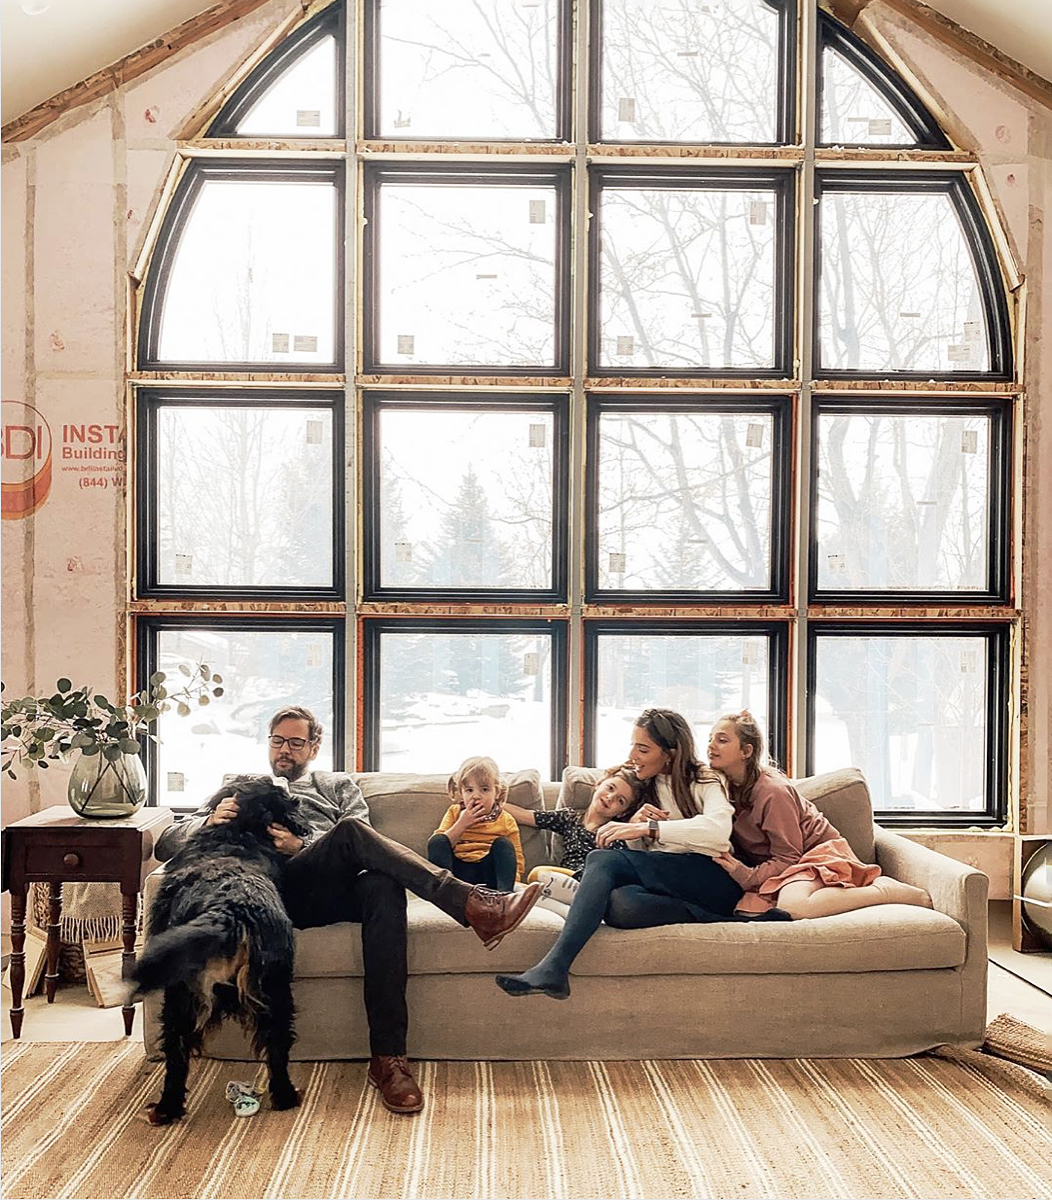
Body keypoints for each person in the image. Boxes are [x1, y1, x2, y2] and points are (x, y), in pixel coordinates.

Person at [155, 706, 542, 1114]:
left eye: (296, 742)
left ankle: (388, 1060)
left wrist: (302, 846)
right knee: (361, 849)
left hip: (313, 881)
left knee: (379, 878)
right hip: (256, 894)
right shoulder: (240, 787)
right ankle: (473, 905)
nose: (285, 750)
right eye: (278, 741)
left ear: (314, 747)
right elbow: (167, 842)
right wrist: (208, 823)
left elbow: (360, 839)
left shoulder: (336, 785)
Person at [495, 708, 783, 1001]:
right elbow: (642, 853)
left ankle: (554, 967)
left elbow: (717, 833)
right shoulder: (645, 787)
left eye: (643, 748)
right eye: (633, 745)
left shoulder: (704, 778)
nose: (633, 754)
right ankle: (736, 922)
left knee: (601, 859)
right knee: (621, 906)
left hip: (710, 878)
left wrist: (651, 828)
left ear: (670, 753)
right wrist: (635, 829)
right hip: (668, 881)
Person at [707, 711, 933, 918]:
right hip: (787, 867)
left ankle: (884, 891)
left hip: (819, 856)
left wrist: (748, 876)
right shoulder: (722, 787)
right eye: (710, 739)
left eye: (722, 740)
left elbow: (789, 857)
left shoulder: (772, 792)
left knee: (792, 907)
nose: (711, 746)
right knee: (747, 913)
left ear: (746, 751)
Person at [504, 766, 644, 909]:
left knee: (538, 874)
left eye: (620, 801)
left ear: (622, 813)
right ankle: (571, 907)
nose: (610, 797)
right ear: (599, 783)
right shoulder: (569, 818)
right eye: (610, 788)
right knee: (522, 886)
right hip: (564, 882)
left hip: (595, 882)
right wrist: (490, 802)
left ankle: (585, 899)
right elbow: (525, 815)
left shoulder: (617, 833)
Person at [427, 756, 525, 893]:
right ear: (461, 792)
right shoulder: (455, 812)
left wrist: (514, 881)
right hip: (457, 876)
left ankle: (505, 895)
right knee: (437, 841)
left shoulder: (506, 820)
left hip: (488, 875)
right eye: (469, 790)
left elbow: (516, 859)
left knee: (504, 844)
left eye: (484, 789)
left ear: (497, 792)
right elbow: (440, 846)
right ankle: (444, 894)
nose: (476, 796)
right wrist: (462, 823)